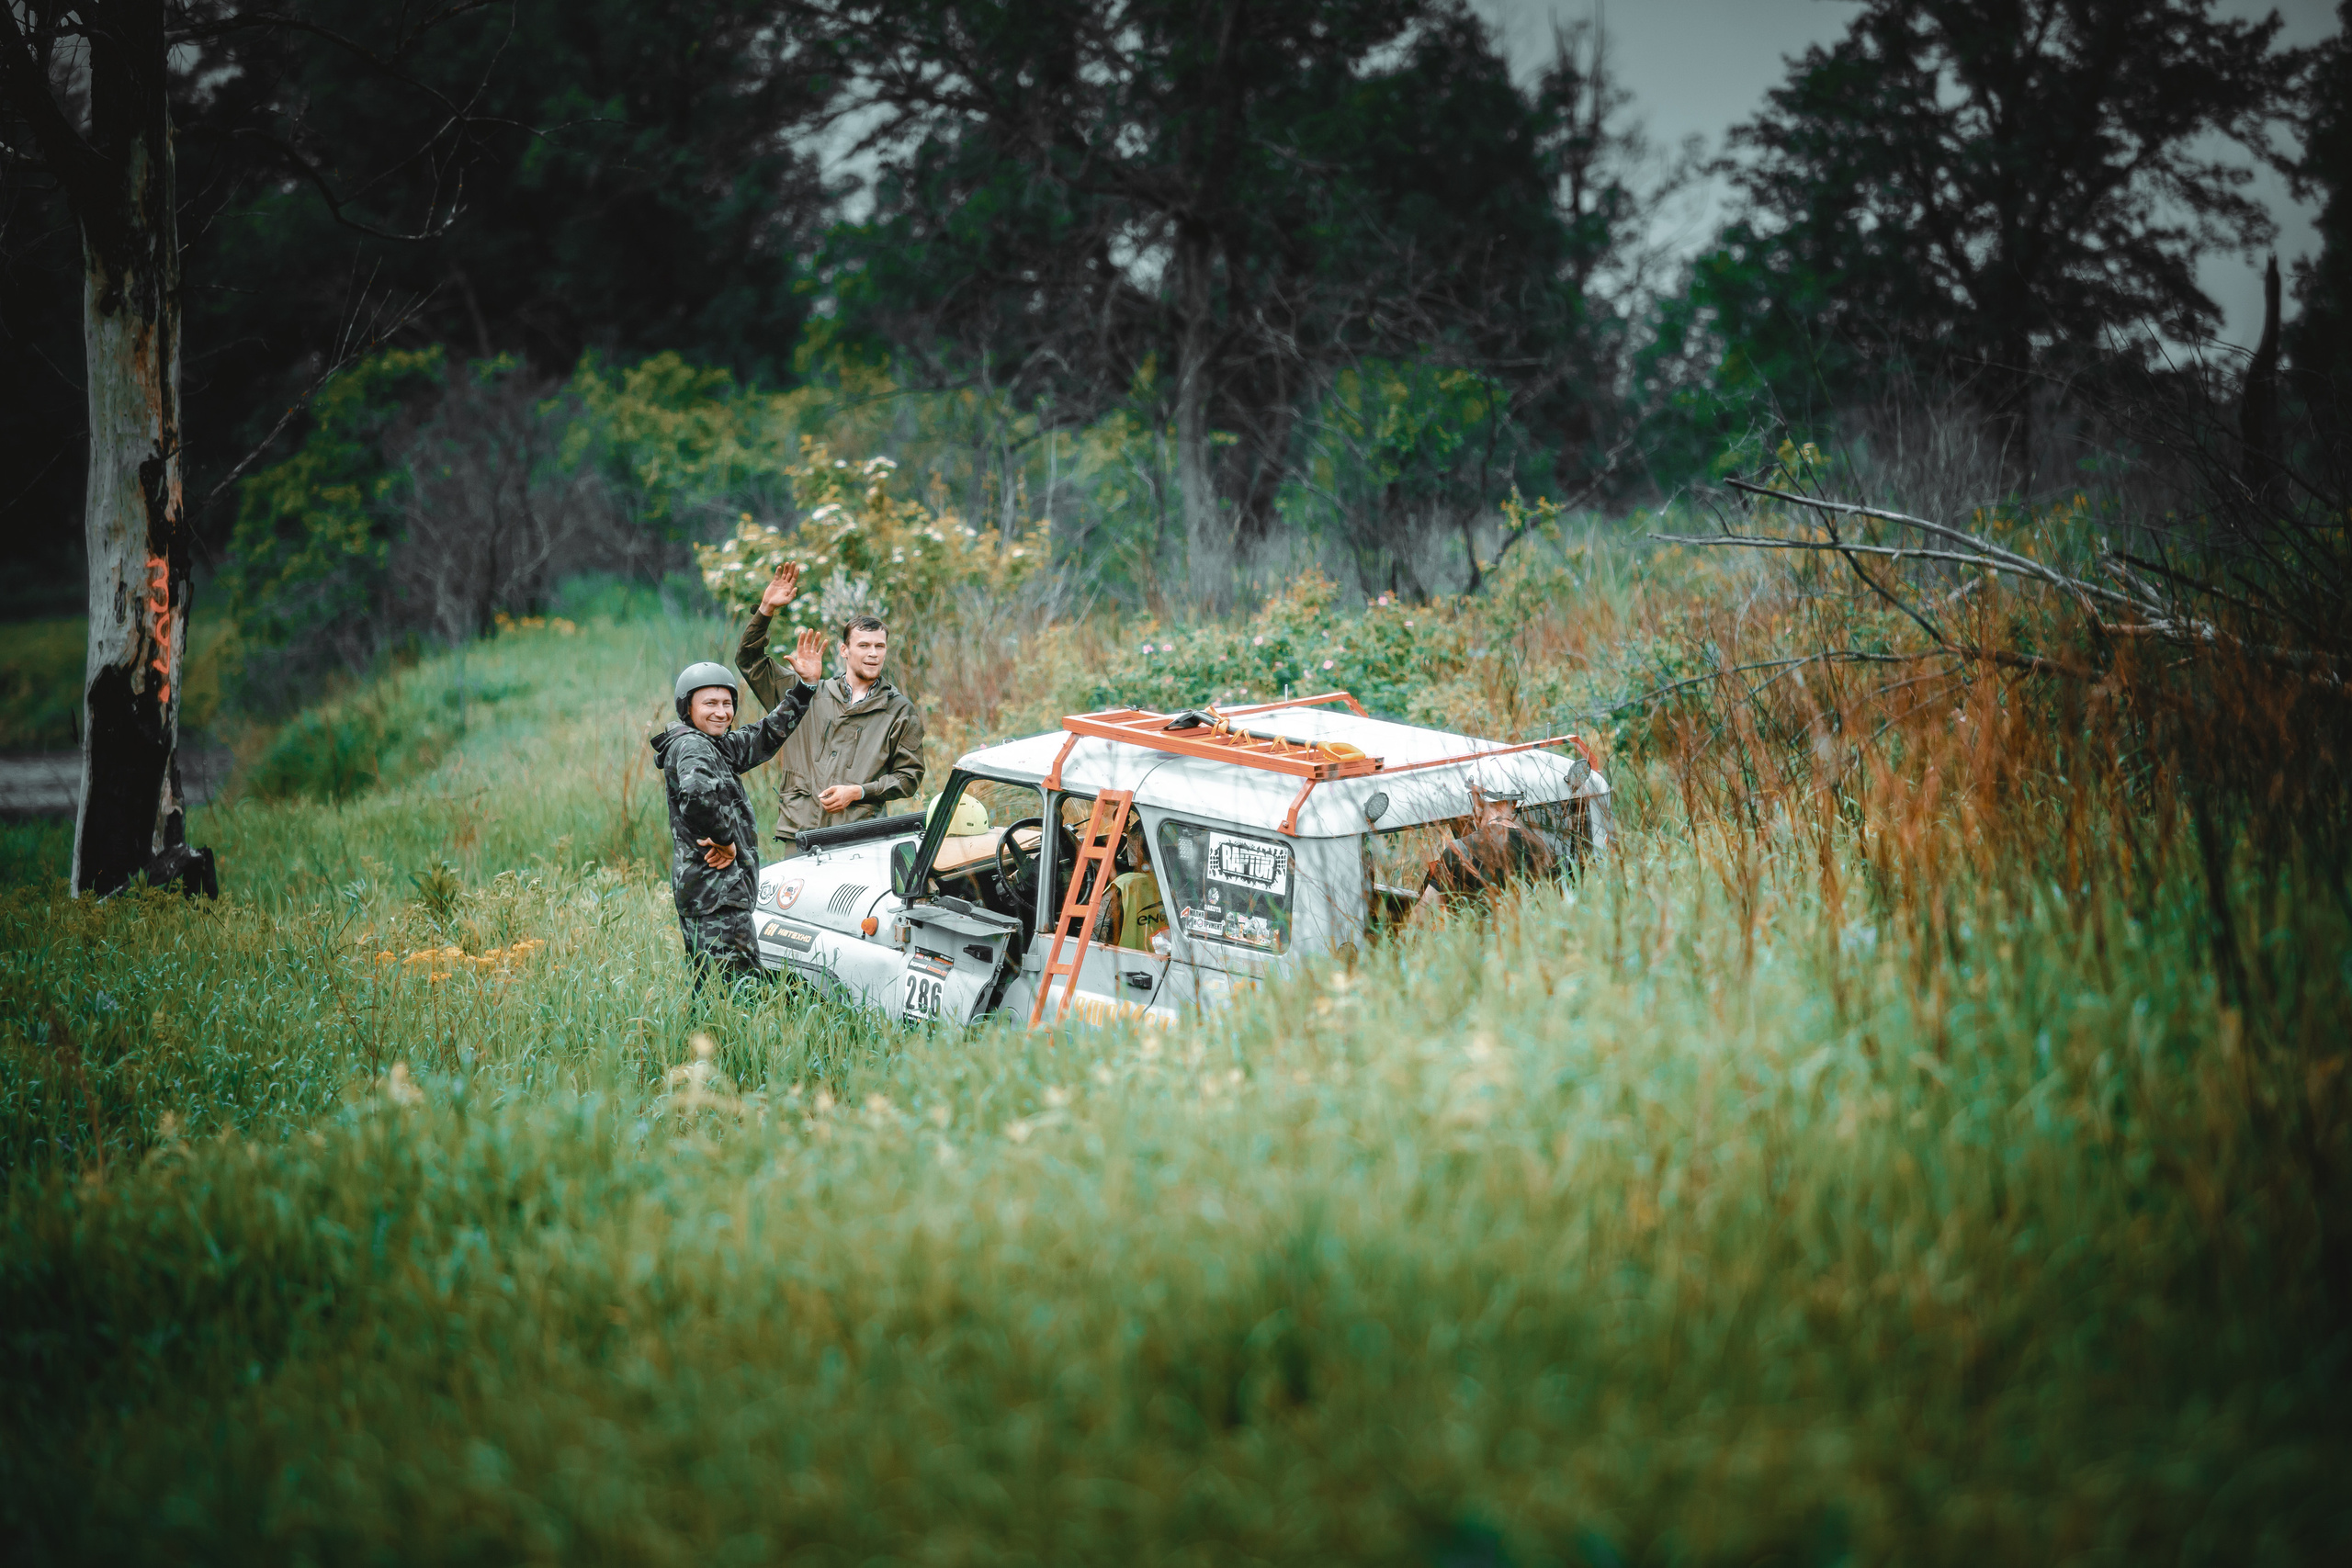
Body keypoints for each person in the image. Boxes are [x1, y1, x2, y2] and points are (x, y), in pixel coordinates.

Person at [652, 634, 823, 989]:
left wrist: (805, 687)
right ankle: (731, 1046)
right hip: (717, 893)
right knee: (736, 992)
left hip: (713, 894)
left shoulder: (711, 744)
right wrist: (726, 841)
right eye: (709, 703)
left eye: (727, 703)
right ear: (688, 708)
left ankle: (710, 1044)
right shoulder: (693, 747)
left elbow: (763, 736)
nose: (721, 711)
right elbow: (696, 797)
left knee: (714, 989)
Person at [736, 562, 925, 851]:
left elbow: (909, 777)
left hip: (860, 841)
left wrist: (859, 792)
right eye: (863, 646)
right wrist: (765, 609)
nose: (873, 654)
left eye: (879, 646)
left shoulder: (899, 710)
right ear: (845, 650)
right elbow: (749, 661)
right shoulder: (804, 695)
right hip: (801, 836)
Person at [1412, 776, 1559, 923]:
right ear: (1514, 803)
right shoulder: (1542, 849)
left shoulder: (1459, 851)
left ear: (1477, 801)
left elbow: (1421, 917)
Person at [1092, 810, 1169, 953]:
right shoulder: (1184, 884)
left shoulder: (1124, 887)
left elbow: (1095, 943)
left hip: (1126, 969)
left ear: (1135, 848)